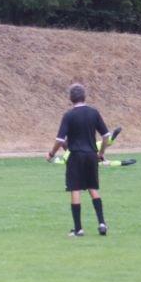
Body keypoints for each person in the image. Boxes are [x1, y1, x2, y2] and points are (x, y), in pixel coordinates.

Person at [46, 83, 112, 237]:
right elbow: (106, 136)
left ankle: (78, 229)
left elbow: (60, 139)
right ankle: (102, 223)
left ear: (71, 98)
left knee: (75, 189)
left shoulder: (69, 115)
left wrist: (51, 154)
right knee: (92, 188)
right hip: (91, 155)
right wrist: (101, 152)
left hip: (76, 156)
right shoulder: (94, 113)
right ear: (84, 96)